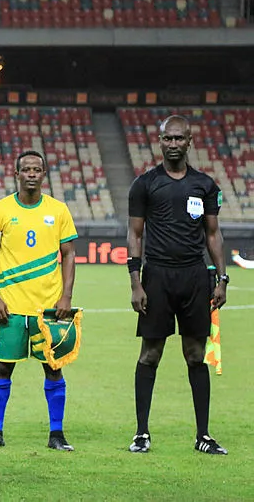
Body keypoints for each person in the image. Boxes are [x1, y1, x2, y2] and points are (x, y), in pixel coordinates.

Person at [127, 114, 228, 455]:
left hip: (195, 277)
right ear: (160, 141)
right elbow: (135, 234)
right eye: (167, 138)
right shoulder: (145, 184)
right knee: (150, 354)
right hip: (157, 276)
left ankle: (203, 435)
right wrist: (136, 282)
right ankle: (141, 433)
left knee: (196, 355)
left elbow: (213, 234)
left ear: (189, 141)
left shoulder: (205, 185)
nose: (173, 144)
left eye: (178, 138)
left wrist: (221, 279)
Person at [0, 150, 77, 451]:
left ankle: (57, 434)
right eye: (26, 169)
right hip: (10, 307)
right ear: (16, 174)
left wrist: (66, 296)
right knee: (3, 368)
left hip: (48, 309)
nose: (31, 174)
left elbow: (69, 254)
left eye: (37, 169)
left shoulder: (58, 210)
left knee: (53, 368)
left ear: (44, 174)